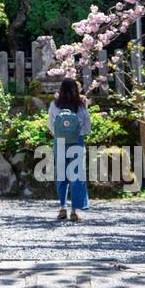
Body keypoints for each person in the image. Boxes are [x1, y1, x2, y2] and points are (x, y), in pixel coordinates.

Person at [48, 77, 91, 221]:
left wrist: (60, 134)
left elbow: (50, 125)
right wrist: (78, 134)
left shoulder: (54, 105)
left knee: (61, 175)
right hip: (77, 142)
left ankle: (62, 207)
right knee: (76, 176)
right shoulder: (80, 106)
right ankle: (74, 210)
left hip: (60, 142)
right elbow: (87, 126)